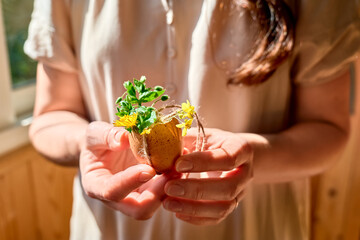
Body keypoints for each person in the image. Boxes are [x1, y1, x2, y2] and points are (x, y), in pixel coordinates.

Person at [25, 0, 360, 239]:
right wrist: (85, 142)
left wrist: (254, 155)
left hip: (256, 227)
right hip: (110, 229)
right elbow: (50, 118)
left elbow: (327, 127)